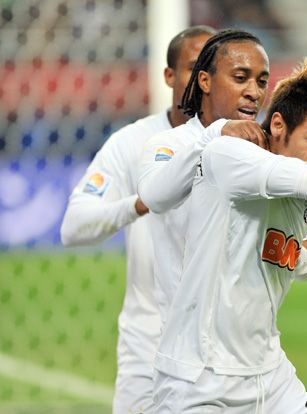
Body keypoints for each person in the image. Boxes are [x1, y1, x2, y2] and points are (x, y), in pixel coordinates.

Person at [150, 56, 307, 413]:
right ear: (278, 124)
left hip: (270, 375)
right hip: (200, 379)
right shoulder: (229, 155)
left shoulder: (303, 184)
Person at [59, 26, 217, 414]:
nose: (203, 80)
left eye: (213, 69)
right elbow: (73, 226)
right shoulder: (132, 142)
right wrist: (138, 204)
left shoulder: (242, 143)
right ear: (169, 76)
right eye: (194, 67)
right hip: (149, 348)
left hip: (223, 351)